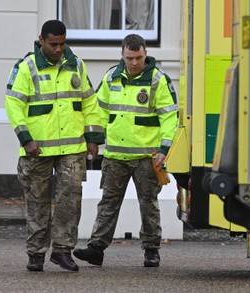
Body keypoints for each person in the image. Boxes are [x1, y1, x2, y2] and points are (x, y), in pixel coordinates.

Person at [5, 19, 104, 272]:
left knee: (70, 200)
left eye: (62, 44)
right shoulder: (26, 67)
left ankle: (62, 250)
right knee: (37, 201)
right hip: (36, 149)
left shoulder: (76, 65)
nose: (59, 49)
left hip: (72, 147)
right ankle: (36, 253)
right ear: (41, 41)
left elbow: (90, 104)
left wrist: (93, 139)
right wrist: (25, 138)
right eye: (53, 44)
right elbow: (13, 104)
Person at [73, 34, 178, 267]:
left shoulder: (157, 80)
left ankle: (152, 250)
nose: (134, 62)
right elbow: (98, 111)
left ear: (146, 54)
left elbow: (170, 117)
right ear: (122, 54)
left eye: (139, 57)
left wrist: (165, 149)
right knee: (108, 203)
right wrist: (92, 139)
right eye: (130, 57)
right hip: (115, 155)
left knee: (148, 204)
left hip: (146, 156)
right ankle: (96, 249)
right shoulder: (111, 77)